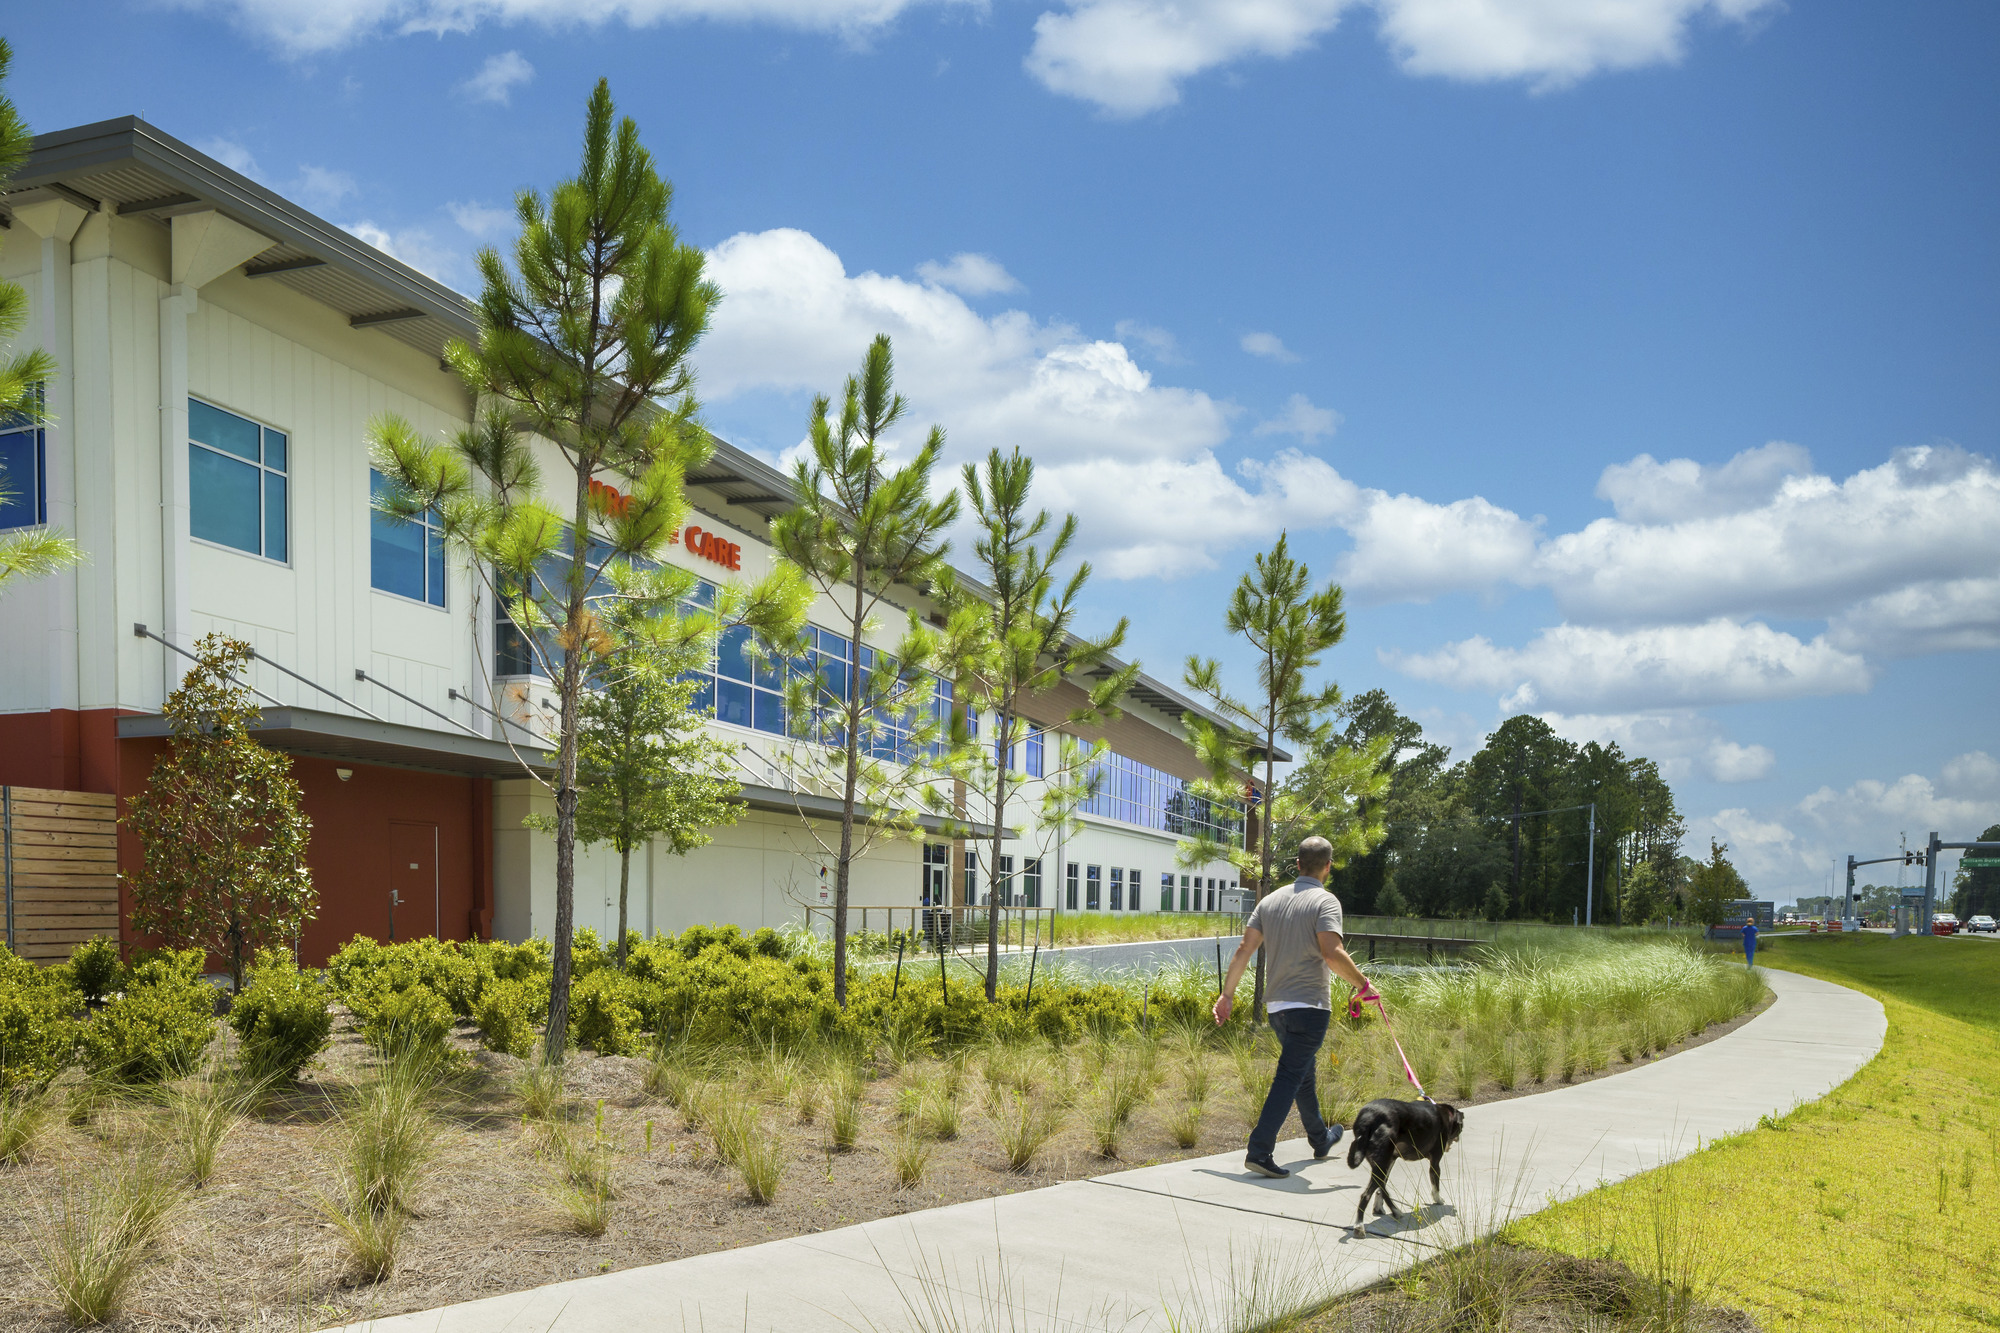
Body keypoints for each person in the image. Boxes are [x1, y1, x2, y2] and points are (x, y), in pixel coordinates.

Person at [1212, 835, 1374, 1179]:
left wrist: (1227, 995)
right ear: (1327, 867)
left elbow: (1244, 949)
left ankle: (1320, 1138)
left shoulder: (1269, 901)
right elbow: (1331, 954)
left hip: (1277, 1009)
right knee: (1290, 1074)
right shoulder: (1325, 901)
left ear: (1298, 864)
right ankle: (1259, 1150)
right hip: (1311, 1006)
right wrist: (1363, 985)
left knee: (1302, 1072)